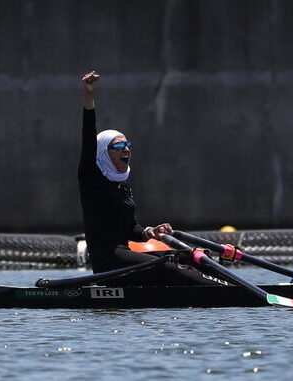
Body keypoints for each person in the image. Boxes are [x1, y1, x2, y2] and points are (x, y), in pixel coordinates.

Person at [78, 71, 225, 286]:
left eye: (128, 145)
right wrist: (89, 95)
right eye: (118, 146)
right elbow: (88, 136)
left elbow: (132, 230)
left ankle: (232, 290)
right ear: (101, 153)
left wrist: (150, 232)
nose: (126, 149)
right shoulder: (91, 178)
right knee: (168, 265)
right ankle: (226, 294)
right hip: (108, 262)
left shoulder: (121, 187)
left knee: (195, 257)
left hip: (125, 256)